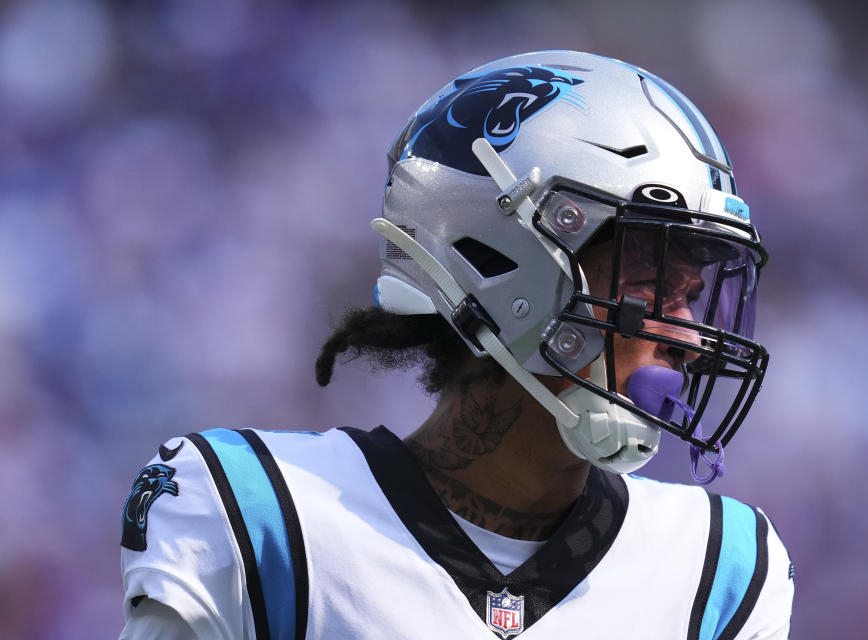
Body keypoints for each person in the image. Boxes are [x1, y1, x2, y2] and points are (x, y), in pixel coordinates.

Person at [119, 50, 794, 639]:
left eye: (690, 297)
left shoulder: (722, 569)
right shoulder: (256, 513)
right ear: (503, 269)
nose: (686, 337)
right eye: (650, 290)